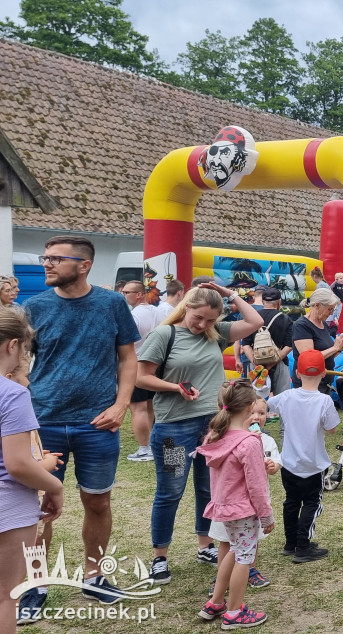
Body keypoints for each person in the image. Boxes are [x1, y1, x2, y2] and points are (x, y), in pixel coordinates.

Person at [23, 235, 140, 605]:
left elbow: (128, 358)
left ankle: (95, 577)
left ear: (84, 265)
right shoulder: (34, 307)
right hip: (44, 423)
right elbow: (19, 364)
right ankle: (35, 584)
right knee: (38, 506)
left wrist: (122, 405)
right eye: (46, 257)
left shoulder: (112, 304)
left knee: (98, 502)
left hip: (98, 423)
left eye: (56, 258)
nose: (47, 263)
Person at [135, 284, 262, 584]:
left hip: (213, 427)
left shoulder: (215, 335)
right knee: (170, 491)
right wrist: (175, 387)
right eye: (199, 317)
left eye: (210, 320)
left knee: (211, 489)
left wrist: (228, 293)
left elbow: (256, 322)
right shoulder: (164, 335)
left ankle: (204, 545)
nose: (203, 325)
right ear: (187, 306)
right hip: (173, 427)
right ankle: (160, 557)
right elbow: (142, 377)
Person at [0, 310, 64, 631]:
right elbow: (18, 464)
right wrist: (55, 486)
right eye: (25, 351)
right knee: (4, 596)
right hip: (8, 511)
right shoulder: (12, 393)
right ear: (13, 346)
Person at [196, 380, 273, 629]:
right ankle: (234, 612)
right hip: (244, 509)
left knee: (234, 550)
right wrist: (267, 516)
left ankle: (216, 601)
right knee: (244, 557)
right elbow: (257, 486)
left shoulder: (216, 436)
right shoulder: (250, 442)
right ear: (251, 407)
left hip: (225, 508)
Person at [270, 349, 340, 563]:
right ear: (323, 374)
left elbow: (266, 405)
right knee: (311, 503)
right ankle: (303, 546)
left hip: (289, 463)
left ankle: (290, 543)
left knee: (291, 502)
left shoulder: (287, 396)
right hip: (313, 465)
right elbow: (332, 429)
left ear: (297, 374)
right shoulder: (324, 401)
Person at [206, 397, 279, 590]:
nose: (256, 417)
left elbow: (273, 464)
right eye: (253, 412)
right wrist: (266, 515)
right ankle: (226, 589)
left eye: (262, 413)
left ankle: (246, 573)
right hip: (244, 505)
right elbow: (254, 483)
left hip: (227, 503)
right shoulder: (247, 442)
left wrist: (272, 466)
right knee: (229, 544)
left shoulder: (263, 440)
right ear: (245, 411)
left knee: (245, 544)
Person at [118, 280, 162, 463]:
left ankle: (145, 448)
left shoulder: (134, 316)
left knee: (138, 408)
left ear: (138, 294)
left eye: (126, 292)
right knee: (151, 407)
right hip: (155, 364)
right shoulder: (158, 312)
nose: (123, 295)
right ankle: (152, 445)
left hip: (137, 363)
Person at [291, 288, 343, 393]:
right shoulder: (302, 326)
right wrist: (335, 347)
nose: (331, 313)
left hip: (324, 381)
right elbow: (309, 358)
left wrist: (340, 347)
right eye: (329, 309)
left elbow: (328, 356)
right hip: (309, 384)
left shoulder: (323, 324)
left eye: (333, 309)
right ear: (317, 305)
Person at [240, 288, 293, 396]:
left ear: (263, 301)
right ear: (279, 302)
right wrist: (272, 363)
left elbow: (245, 344)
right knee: (281, 400)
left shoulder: (253, 318)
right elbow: (289, 345)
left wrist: (256, 364)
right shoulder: (285, 319)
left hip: (256, 364)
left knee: (255, 401)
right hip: (279, 364)